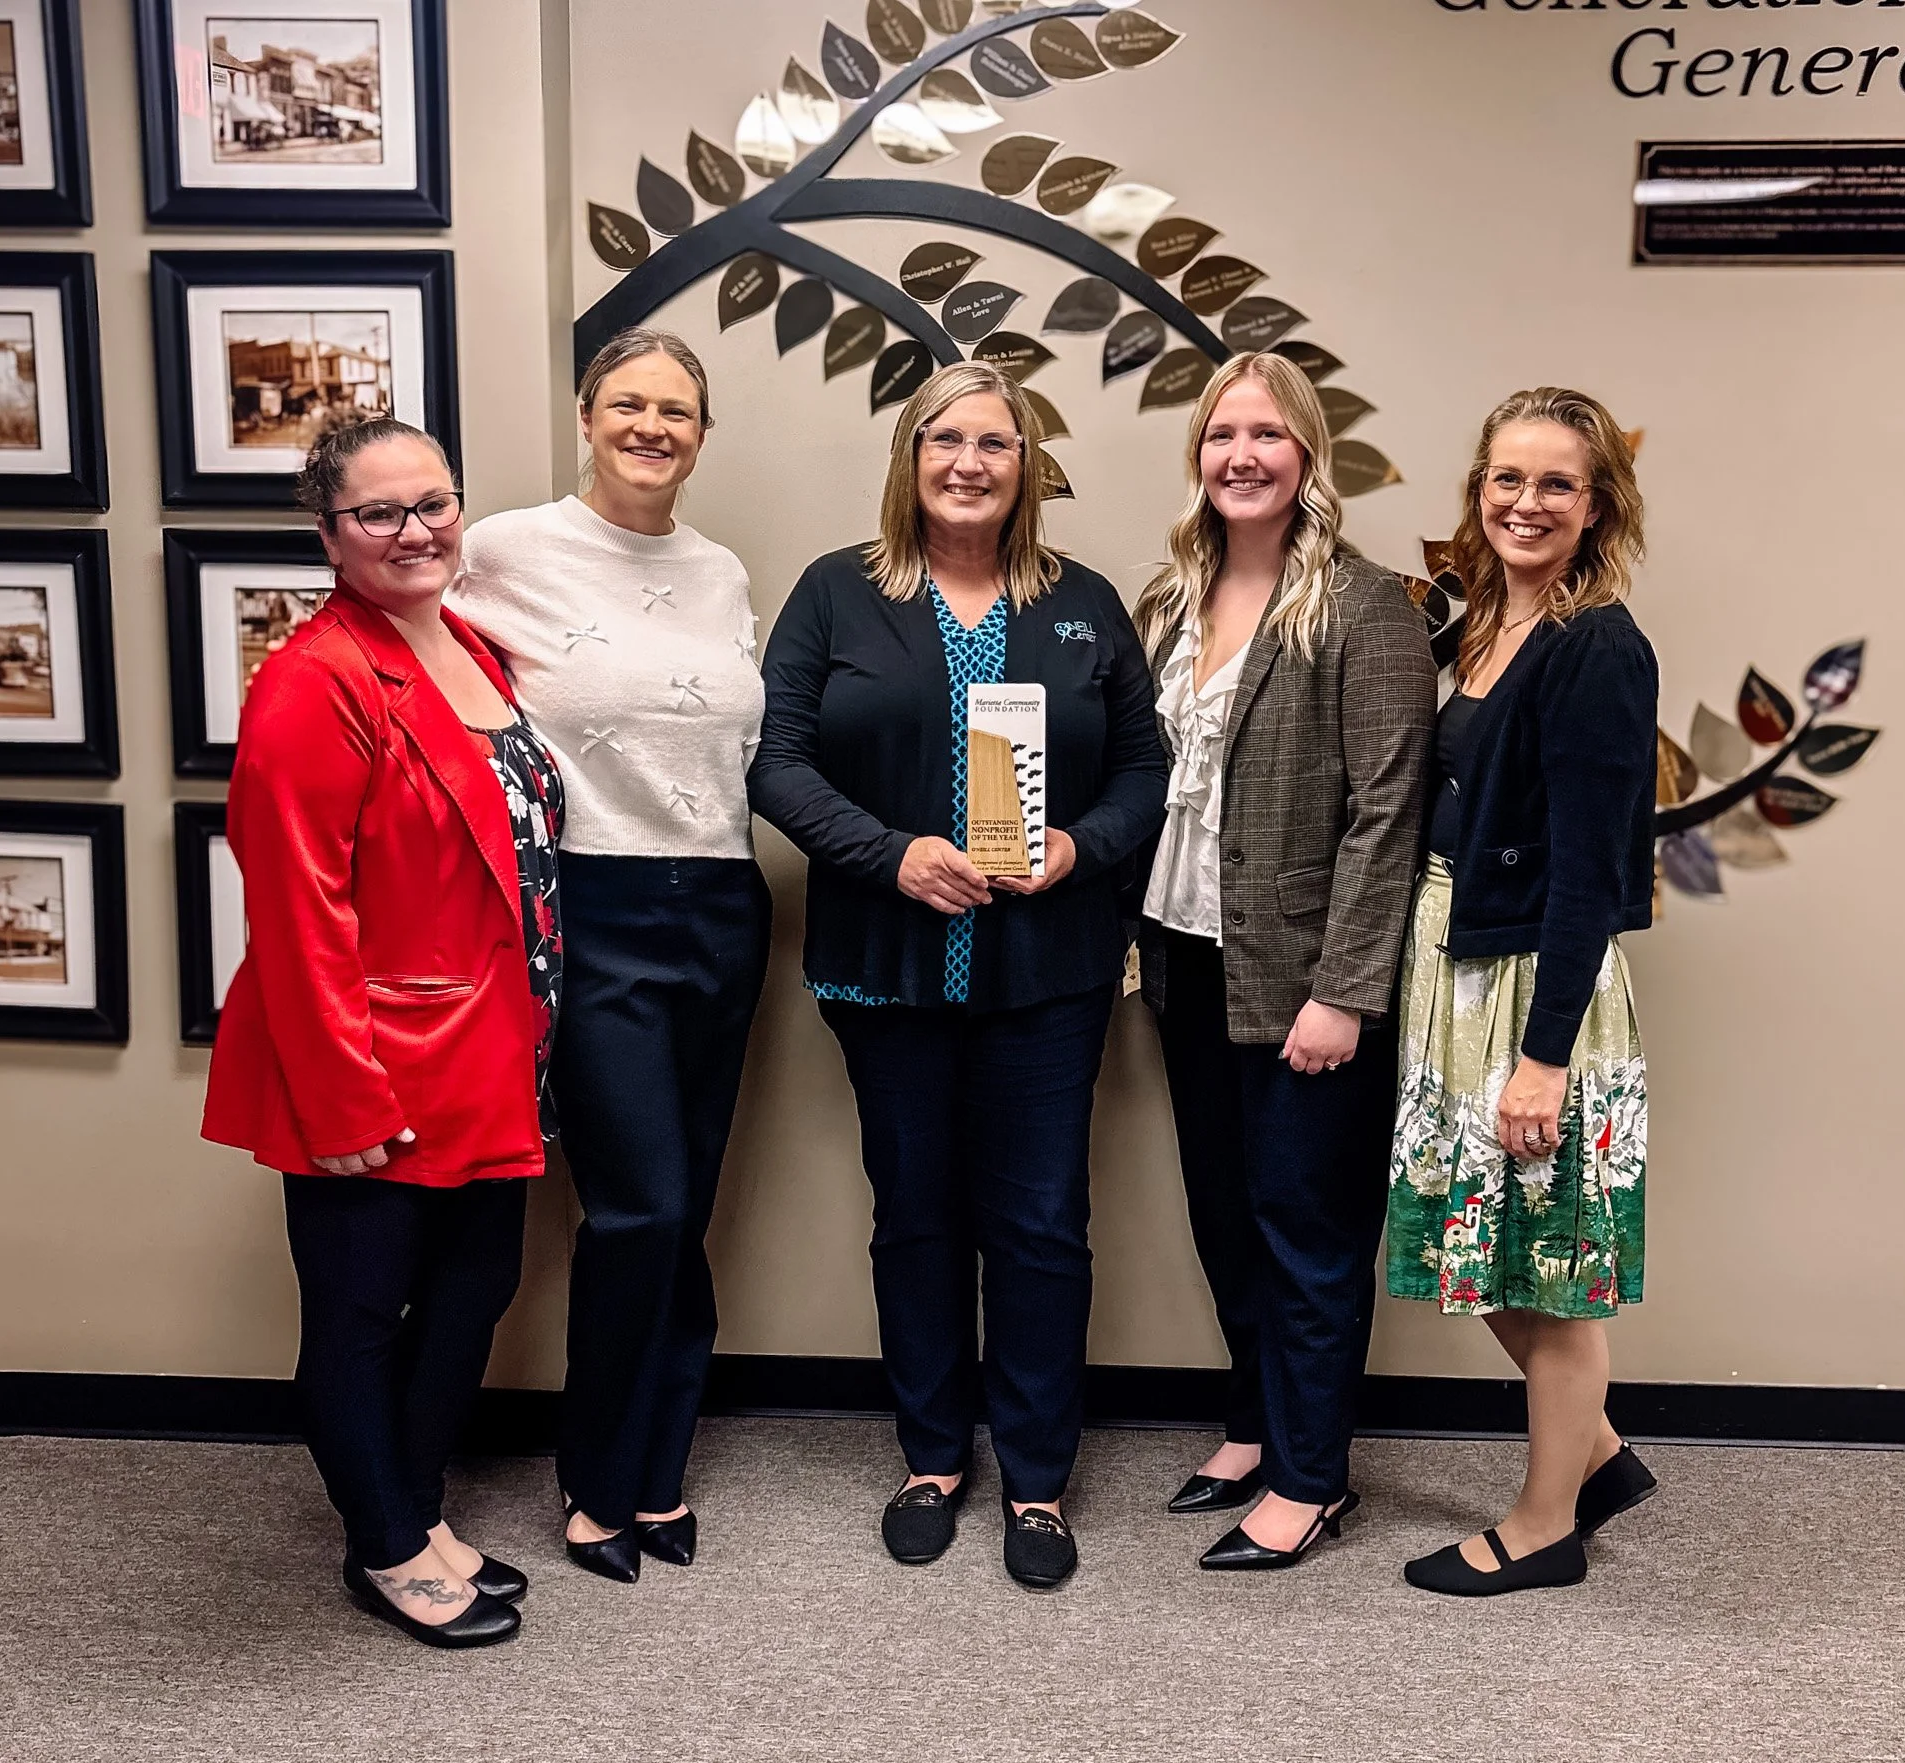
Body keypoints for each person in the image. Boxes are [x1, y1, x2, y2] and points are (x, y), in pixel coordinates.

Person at [749, 363, 1167, 1590]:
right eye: (945, 439)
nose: (969, 461)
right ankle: (932, 1456)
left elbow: (1146, 772)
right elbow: (774, 763)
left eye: (995, 441)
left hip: (1050, 969)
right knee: (917, 1215)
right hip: (887, 966)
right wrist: (889, 856)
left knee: (1041, 1223)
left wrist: (1078, 846)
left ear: (1025, 464)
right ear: (909, 456)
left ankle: (1034, 1480)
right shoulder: (837, 593)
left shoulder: (1082, 603)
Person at [203, 418, 565, 1649]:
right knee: (362, 1309)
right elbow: (295, 908)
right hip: (377, 1056)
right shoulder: (313, 678)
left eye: (434, 503)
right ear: (329, 534)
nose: (417, 531)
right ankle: (386, 1546)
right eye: (381, 513)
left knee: (475, 1286)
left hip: (490, 1044)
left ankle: (413, 1509)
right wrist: (341, 1099)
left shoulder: (462, 638)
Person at [449, 329, 768, 1585]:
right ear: (586, 417)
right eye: (627, 403)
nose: (651, 425)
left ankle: (656, 1465)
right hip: (588, 905)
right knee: (632, 1202)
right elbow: (418, 671)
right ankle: (596, 1477)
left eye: (677, 410)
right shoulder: (505, 549)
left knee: (681, 1206)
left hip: (721, 903)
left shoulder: (723, 570)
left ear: (700, 433)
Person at [1132, 353, 1433, 1572]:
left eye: (1265, 434)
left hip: (1303, 976)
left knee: (1305, 1224)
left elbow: (1386, 812)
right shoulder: (1168, 600)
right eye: (1219, 435)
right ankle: (1258, 1424)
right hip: (1182, 954)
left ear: (1306, 455)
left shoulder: (1362, 607)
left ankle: (1314, 1476)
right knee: (1222, 1214)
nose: (1239, 455)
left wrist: (1345, 990)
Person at [1388, 386, 1659, 1596]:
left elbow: (1592, 873)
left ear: (1596, 504)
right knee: (1473, 1243)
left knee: (1542, 1263)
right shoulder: (1483, 618)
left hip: (1531, 983)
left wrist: (1543, 1057)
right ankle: (1593, 1449)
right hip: (1458, 966)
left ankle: (1545, 1523)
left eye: (1555, 482)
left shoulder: (1596, 644)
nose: (1525, 501)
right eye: (1506, 477)